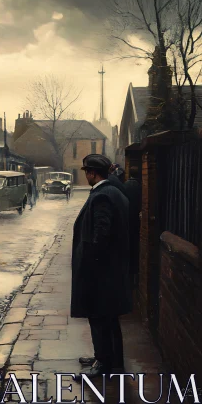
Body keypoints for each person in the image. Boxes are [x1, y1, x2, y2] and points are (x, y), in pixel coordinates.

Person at [71, 154, 131, 378]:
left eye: (87, 171)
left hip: (101, 272)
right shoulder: (114, 192)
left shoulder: (102, 196)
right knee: (110, 316)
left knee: (98, 316)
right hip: (111, 269)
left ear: (92, 173)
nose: (86, 175)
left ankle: (103, 363)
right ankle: (111, 359)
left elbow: (101, 236)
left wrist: (90, 267)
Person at [123, 164, 142, 286]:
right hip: (136, 219)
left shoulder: (125, 186)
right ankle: (134, 276)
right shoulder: (140, 186)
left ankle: (128, 275)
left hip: (127, 219)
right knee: (135, 247)